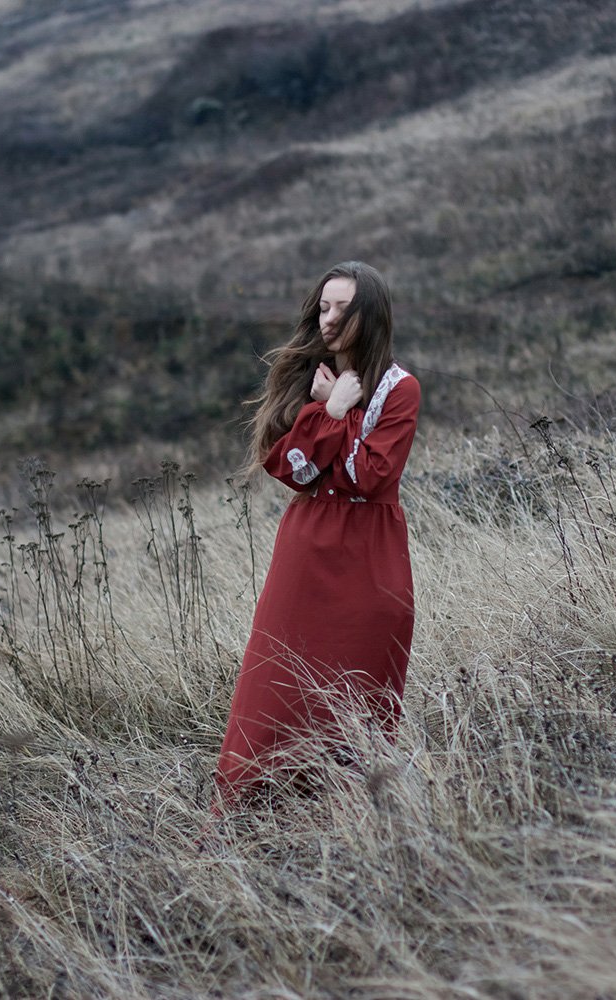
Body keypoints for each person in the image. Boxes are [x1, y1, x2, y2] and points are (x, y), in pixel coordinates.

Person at [214, 260, 419, 810]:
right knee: (274, 689)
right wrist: (329, 408)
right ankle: (248, 815)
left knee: (358, 694)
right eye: (323, 307)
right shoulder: (311, 381)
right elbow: (292, 469)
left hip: (371, 559)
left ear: (370, 316)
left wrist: (335, 416)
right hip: (305, 553)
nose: (328, 319)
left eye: (342, 309)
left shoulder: (401, 389)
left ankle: (345, 817)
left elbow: (368, 476)